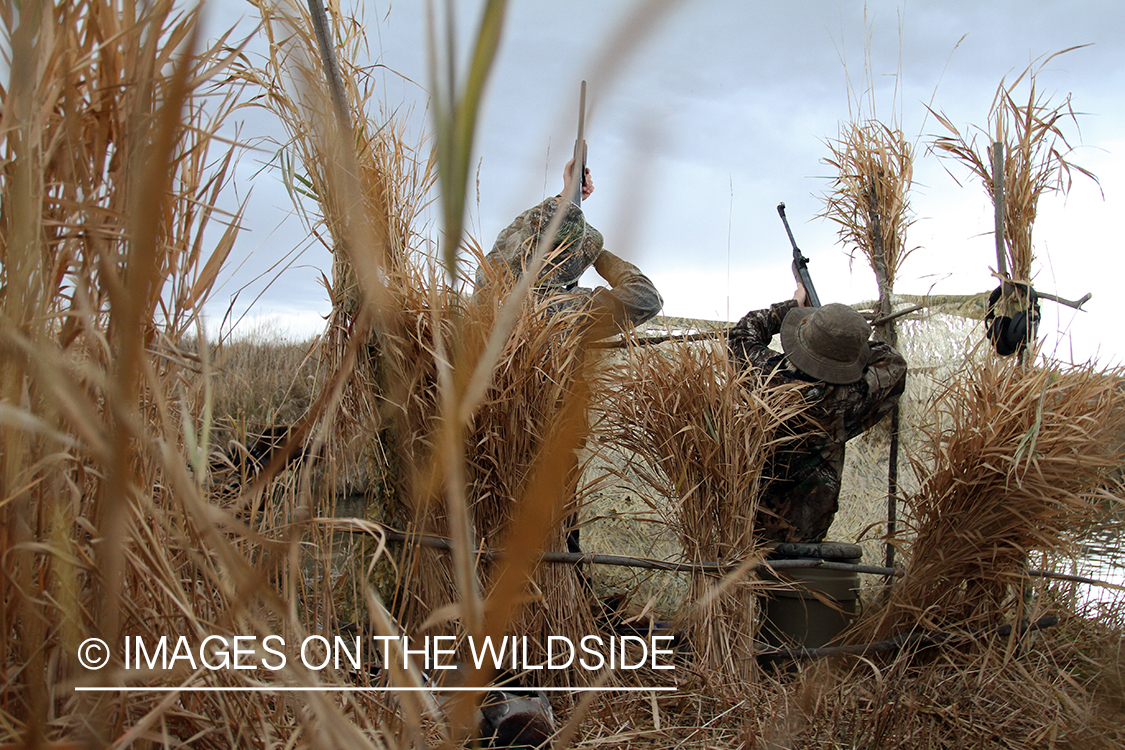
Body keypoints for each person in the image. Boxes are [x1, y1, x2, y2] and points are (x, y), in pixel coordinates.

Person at [727, 283, 907, 543]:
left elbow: (741, 335)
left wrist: (791, 307)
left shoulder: (766, 376)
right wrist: (846, 344)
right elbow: (893, 361)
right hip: (806, 533)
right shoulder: (852, 399)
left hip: (743, 521)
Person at [474, 159, 663, 332]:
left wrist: (568, 194)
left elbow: (525, 225)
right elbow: (648, 297)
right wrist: (593, 252)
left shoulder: (491, 270)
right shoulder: (564, 308)